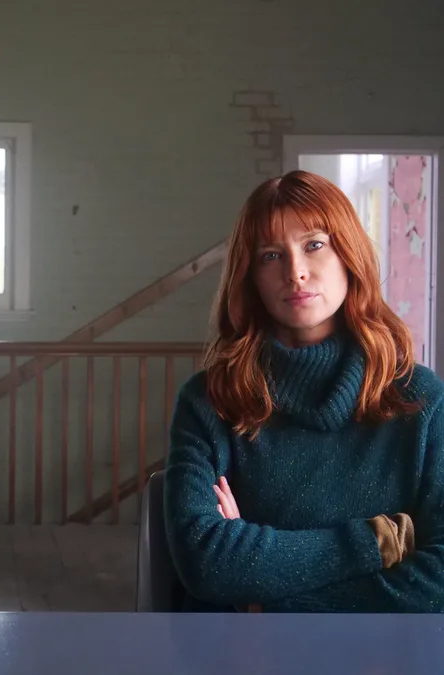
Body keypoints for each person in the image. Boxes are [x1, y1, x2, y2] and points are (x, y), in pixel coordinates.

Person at [164, 169, 444, 613]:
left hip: (384, 658)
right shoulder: (210, 400)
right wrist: (378, 541)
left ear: (348, 255)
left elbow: (437, 582)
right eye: (271, 256)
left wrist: (270, 602)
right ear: (250, 275)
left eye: (314, 245)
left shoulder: (419, 398)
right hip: (241, 659)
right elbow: (208, 564)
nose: (295, 272)